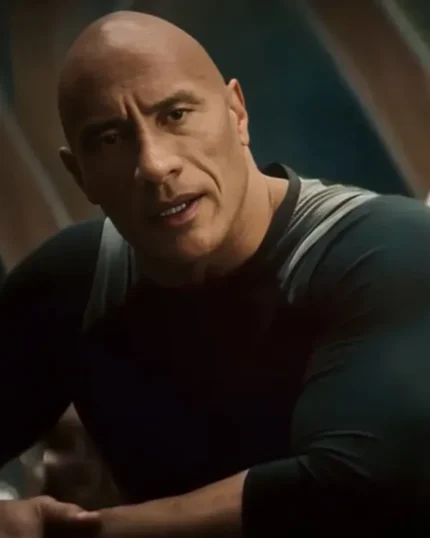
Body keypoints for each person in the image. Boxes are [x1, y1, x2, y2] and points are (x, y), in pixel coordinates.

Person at [0, 10, 430, 538]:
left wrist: (80, 532)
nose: (154, 164)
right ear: (79, 174)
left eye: (175, 114)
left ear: (237, 112)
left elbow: (351, 481)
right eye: (110, 139)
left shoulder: (389, 248)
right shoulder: (74, 283)